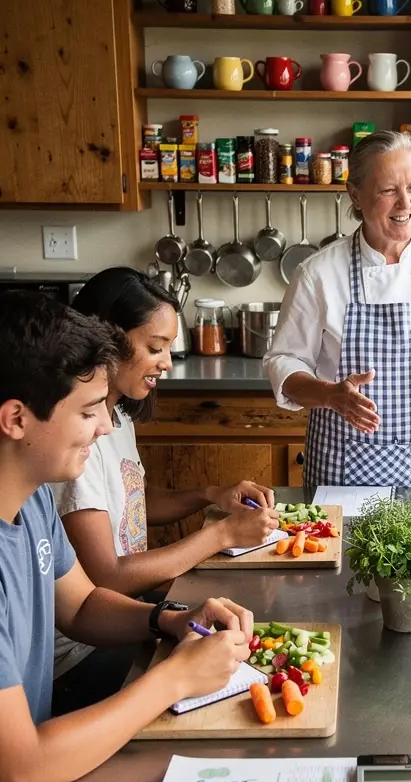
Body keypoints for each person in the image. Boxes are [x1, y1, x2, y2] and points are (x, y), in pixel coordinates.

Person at [0, 290, 254, 782]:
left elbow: (80, 603)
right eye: (87, 412)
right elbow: (18, 777)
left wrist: (168, 621)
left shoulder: (29, 502)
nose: (104, 425)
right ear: (17, 419)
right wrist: (173, 680)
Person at [51, 268, 278, 713]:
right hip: (81, 657)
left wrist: (210, 494)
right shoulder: (72, 446)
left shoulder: (116, 417)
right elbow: (108, 576)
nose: (167, 362)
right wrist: (222, 535)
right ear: (107, 340)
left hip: (125, 617)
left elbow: (133, 501)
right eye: (155, 348)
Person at [264, 131, 411, 493]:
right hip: (342, 467)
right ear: (356, 195)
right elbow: (284, 361)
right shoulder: (318, 273)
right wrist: (330, 395)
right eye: (388, 190)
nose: (405, 203)